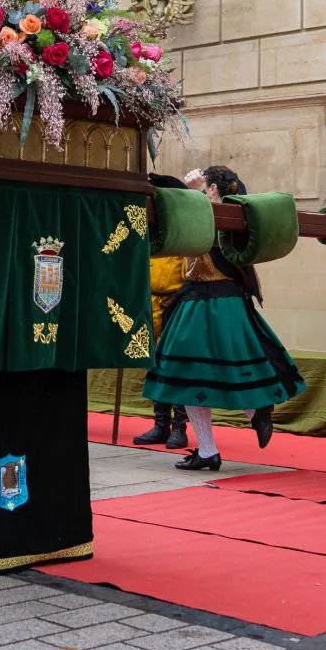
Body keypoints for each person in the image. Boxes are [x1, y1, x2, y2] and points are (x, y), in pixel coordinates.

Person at [142, 165, 305, 470]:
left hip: (216, 302)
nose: (202, 192)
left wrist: (192, 192)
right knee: (187, 377)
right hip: (199, 300)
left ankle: (252, 414)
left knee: (199, 372)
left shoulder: (229, 217)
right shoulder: (210, 210)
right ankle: (214, 444)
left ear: (214, 189)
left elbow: (204, 225)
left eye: (206, 187)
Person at [134, 171, 199, 450]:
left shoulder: (182, 224)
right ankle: (160, 424)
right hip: (150, 301)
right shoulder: (146, 223)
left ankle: (179, 427)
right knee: (155, 364)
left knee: (177, 366)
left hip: (176, 299)